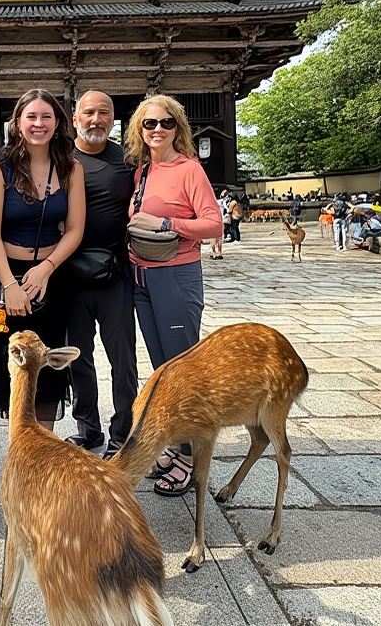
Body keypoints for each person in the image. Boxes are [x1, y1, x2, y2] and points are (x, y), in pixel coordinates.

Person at [124, 95, 221, 496]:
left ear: (177, 128)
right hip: (142, 275)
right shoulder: (142, 172)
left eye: (166, 123)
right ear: (139, 131)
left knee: (183, 372)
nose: (157, 130)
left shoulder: (189, 170)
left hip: (176, 276)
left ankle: (190, 457)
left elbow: (214, 224)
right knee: (163, 369)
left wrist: (166, 222)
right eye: (149, 124)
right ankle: (174, 443)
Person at [0, 89, 85, 430]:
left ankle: (45, 448)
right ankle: (20, 446)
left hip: (53, 275)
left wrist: (45, 269)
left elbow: (74, 229)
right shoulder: (0, 167)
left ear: (58, 124)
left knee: (50, 361)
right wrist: (11, 284)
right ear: (18, 123)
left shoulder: (71, 168)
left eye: (46, 117)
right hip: (8, 276)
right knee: (14, 360)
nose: (39, 124)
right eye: (31, 117)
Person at [63, 91, 137, 460]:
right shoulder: (61, 159)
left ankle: (123, 433)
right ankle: (87, 428)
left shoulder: (128, 160)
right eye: (88, 112)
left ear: (113, 119)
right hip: (71, 276)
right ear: (75, 118)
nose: (96, 119)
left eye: (103, 113)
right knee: (78, 355)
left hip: (115, 274)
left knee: (122, 359)